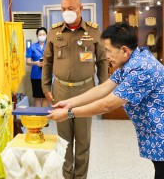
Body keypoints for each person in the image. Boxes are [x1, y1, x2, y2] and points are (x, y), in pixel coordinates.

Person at [47, 22, 164, 179]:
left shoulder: (141, 69)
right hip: (155, 132)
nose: (106, 55)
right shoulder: (130, 61)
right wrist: (70, 102)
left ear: (124, 50)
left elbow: (107, 105)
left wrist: (69, 113)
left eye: (108, 50)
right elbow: (103, 89)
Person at [42, 0, 108, 179]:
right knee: (64, 140)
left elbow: (102, 61)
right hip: (60, 90)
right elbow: (47, 61)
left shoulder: (94, 31)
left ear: (80, 9)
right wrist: (46, 87)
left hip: (86, 90)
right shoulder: (54, 31)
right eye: (63, 9)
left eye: (71, 8)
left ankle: (80, 177)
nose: (66, 12)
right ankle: (66, 176)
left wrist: (103, 89)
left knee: (83, 140)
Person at [26, 27, 49, 107]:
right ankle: (38, 117)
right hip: (36, 75)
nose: (42, 36)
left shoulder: (50, 46)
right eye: (40, 34)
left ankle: (44, 118)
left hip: (47, 75)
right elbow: (28, 62)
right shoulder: (32, 47)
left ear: (46, 35)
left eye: (43, 34)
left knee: (46, 96)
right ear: (37, 35)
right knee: (37, 97)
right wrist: (36, 63)